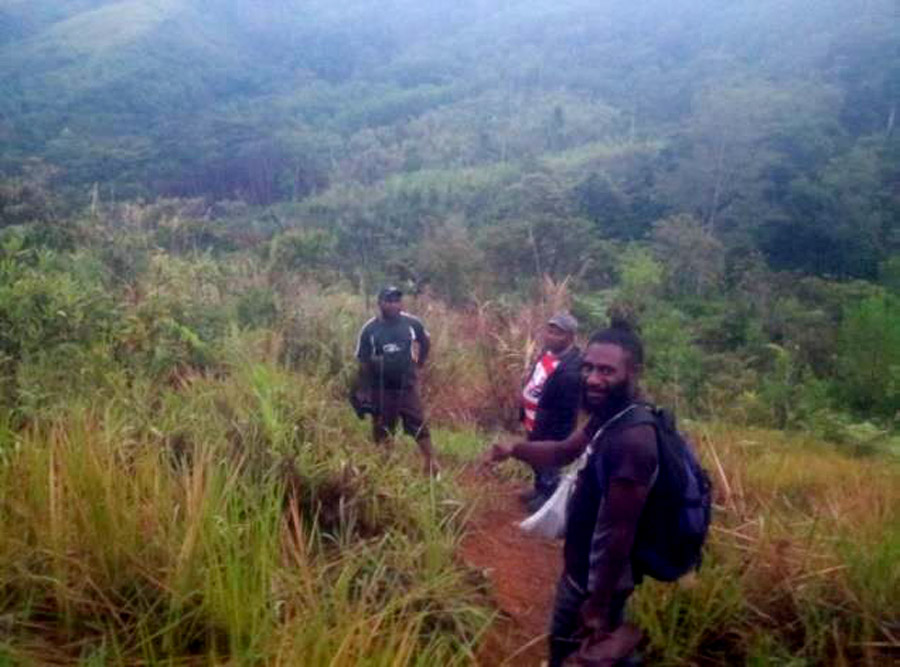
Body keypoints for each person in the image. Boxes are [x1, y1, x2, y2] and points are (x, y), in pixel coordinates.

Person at [486, 324, 657, 666]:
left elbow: (621, 534)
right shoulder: (611, 416)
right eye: (589, 367)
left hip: (591, 586)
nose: (593, 378)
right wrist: (514, 448)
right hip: (583, 575)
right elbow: (564, 451)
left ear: (632, 372)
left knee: (568, 653)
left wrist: (596, 605)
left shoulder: (634, 441)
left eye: (607, 370)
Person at [355, 286, 439, 475]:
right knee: (383, 429)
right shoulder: (370, 329)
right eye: (389, 301)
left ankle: (431, 465)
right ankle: (386, 470)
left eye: (397, 300)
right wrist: (363, 391)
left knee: (418, 424)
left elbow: (425, 342)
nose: (394, 305)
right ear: (380, 303)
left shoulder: (412, 323)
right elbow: (364, 361)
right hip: (381, 388)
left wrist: (420, 363)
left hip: (406, 386)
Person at [519, 312, 582, 512]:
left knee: (549, 463)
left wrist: (557, 435)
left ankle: (548, 497)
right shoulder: (546, 354)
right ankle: (539, 488)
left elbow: (567, 410)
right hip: (533, 420)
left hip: (552, 428)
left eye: (558, 334)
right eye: (550, 331)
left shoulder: (573, 368)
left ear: (571, 337)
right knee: (535, 458)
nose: (551, 336)